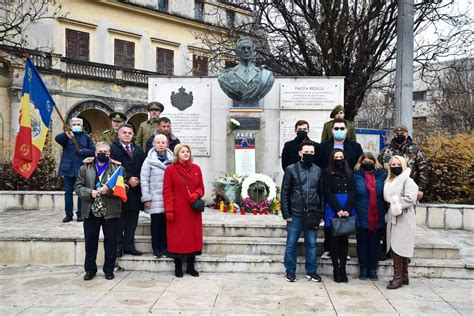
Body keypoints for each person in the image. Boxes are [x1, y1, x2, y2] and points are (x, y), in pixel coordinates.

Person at [74, 142, 122, 281]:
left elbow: (124, 188)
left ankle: (109, 270)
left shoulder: (117, 168)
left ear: (109, 153)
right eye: (100, 151)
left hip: (111, 210)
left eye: (106, 151)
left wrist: (110, 190)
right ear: (95, 152)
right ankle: (90, 270)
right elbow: (78, 187)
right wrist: (90, 192)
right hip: (90, 210)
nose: (103, 153)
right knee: (90, 242)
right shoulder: (85, 168)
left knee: (111, 242)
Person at [316, 118, 363, 260]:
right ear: (331, 130)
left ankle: (343, 250)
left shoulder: (355, 147)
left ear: (347, 130)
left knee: (344, 220)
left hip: (347, 187)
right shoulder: (323, 147)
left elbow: (358, 166)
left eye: (342, 128)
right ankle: (328, 248)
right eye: (336, 128)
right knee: (330, 220)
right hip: (329, 185)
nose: (339, 131)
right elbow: (319, 165)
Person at [280, 140, 323, 283]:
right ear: (300, 153)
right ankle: (290, 271)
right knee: (291, 243)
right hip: (295, 213)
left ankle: (311, 271)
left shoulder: (318, 170)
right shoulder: (291, 169)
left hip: (312, 213)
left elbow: (321, 193)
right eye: (306, 152)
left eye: (311, 152)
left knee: (311, 244)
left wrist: (320, 212)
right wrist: (286, 213)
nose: (309, 154)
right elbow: (285, 192)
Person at [163, 144, 205, 278]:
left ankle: (191, 267)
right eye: (183, 151)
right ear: (177, 154)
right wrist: (169, 210)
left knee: (193, 237)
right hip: (178, 209)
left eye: (188, 151)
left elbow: (201, 187)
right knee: (178, 238)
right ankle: (178, 267)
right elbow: (167, 191)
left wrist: (197, 194)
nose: (186, 153)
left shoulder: (196, 168)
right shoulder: (170, 170)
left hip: (192, 210)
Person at [110, 124, 145, 257]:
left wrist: (139, 180)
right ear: (119, 134)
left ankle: (129, 245)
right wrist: (128, 178)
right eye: (124, 132)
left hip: (135, 191)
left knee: (132, 220)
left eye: (129, 133)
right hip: (120, 189)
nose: (127, 135)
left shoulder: (138, 150)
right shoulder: (112, 148)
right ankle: (119, 247)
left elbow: (143, 167)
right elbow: (113, 166)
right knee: (120, 220)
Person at [384, 155, 418, 290]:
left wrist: (396, 202)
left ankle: (398, 278)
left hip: (404, 217)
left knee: (399, 246)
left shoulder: (408, 181)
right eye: (392, 165)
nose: (395, 167)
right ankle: (403, 276)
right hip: (393, 216)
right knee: (395, 246)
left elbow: (411, 198)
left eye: (398, 164)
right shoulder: (390, 180)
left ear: (403, 165)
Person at [322, 149, 356, 283]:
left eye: (341, 157)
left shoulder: (349, 172)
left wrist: (347, 209)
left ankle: (343, 268)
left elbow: (353, 191)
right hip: (333, 208)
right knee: (334, 241)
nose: (339, 159)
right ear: (332, 159)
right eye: (336, 157)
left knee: (344, 240)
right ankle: (336, 268)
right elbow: (327, 192)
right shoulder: (327, 172)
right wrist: (338, 210)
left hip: (348, 206)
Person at [354, 153, 387, 281]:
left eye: (370, 161)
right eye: (365, 161)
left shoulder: (382, 176)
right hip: (361, 214)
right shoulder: (356, 175)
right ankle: (363, 269)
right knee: (362, 244)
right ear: (360, 163)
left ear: (374, 162)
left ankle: (373, 269)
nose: (367, 163)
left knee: (375, 244)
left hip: (377, 215)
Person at [55, 117, 95, 223]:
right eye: (74, 124)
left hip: (81, 169)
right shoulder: (67, 136)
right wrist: (66, 134)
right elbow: (57, 139)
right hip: (68, 169)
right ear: (71, 125)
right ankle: (68, 214)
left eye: (78, 124)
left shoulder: (86, 137)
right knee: (68, 192)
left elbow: (93, 150)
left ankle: (80, 214)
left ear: (82, 126)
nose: (76, 126)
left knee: (81, 193)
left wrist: (82, 152)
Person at [140, 134, 173, 258]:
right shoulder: (148, 160)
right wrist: (146, 197)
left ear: (167, 144)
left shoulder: (173, 160)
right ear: (154, 144)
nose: (160, 145)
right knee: (155, 224)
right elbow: (144, 180)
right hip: (155, 198)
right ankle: (156, 248)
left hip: (168, 198)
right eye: (158, 142)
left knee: (166, 225)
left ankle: (165, 247)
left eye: (163, 142)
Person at [218, 36, 274, 105]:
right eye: (243, 48)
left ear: (253, 51)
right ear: (237, 52)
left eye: (249, 48)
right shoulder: (225, 76)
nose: (246, 51)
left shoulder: (265, 76)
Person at [378, 124, 427, 201]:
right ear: (394, 135)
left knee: (407, 211)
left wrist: (420, 189)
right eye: (397, 134)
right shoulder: (386, 151)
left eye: (402, 133)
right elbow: (378, 169)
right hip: (389, 189)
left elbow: (423, 170)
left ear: (407, 134)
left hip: (408, 188)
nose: (400, 135)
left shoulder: (415, 150)